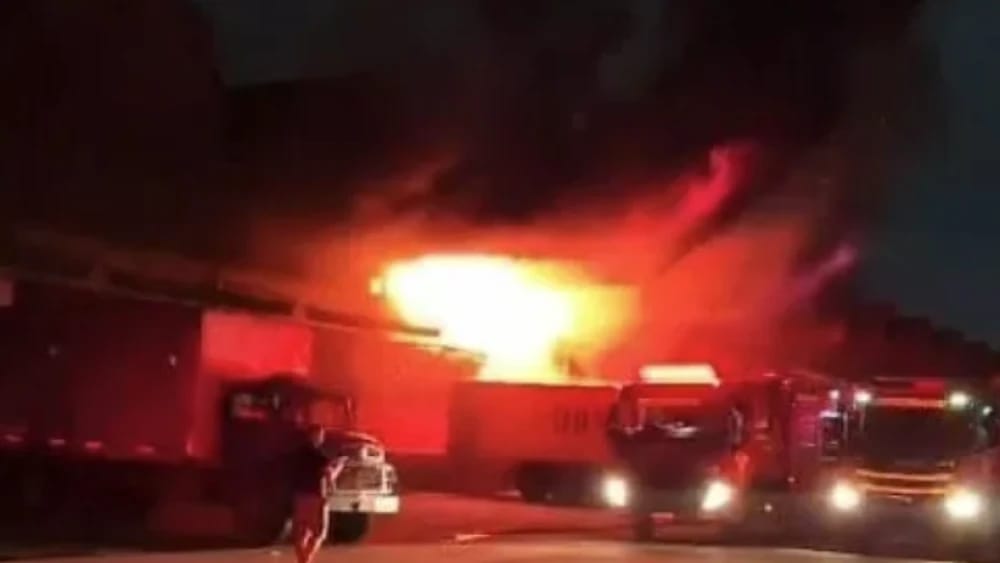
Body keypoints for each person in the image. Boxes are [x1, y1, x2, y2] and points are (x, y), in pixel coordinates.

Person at [291, 425, 347, 563]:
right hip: (316, 496)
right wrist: (340, 465)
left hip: (300, 496)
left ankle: (302, 559)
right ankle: (306, 560)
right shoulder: (319, 457)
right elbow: (329, 475)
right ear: (315, 437)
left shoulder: (297, 455)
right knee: (320, 532)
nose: (322, 439)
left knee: (302, 531)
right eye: (320, 436)